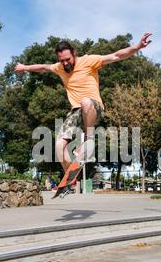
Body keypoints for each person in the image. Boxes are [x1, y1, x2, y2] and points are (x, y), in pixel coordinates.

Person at [14, 32, 152, 174]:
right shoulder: (59, 68)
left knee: (85, 101)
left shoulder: (89, 61)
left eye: (68, 59)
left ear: (74, 53)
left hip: (94, 108)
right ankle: (70, 177)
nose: (65, 63)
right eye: (62, 61)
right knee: (58, 145)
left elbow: (116, 56)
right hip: (76, 112)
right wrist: (25, 67)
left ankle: (89, 141)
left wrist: (138, 46)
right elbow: (43, 67)